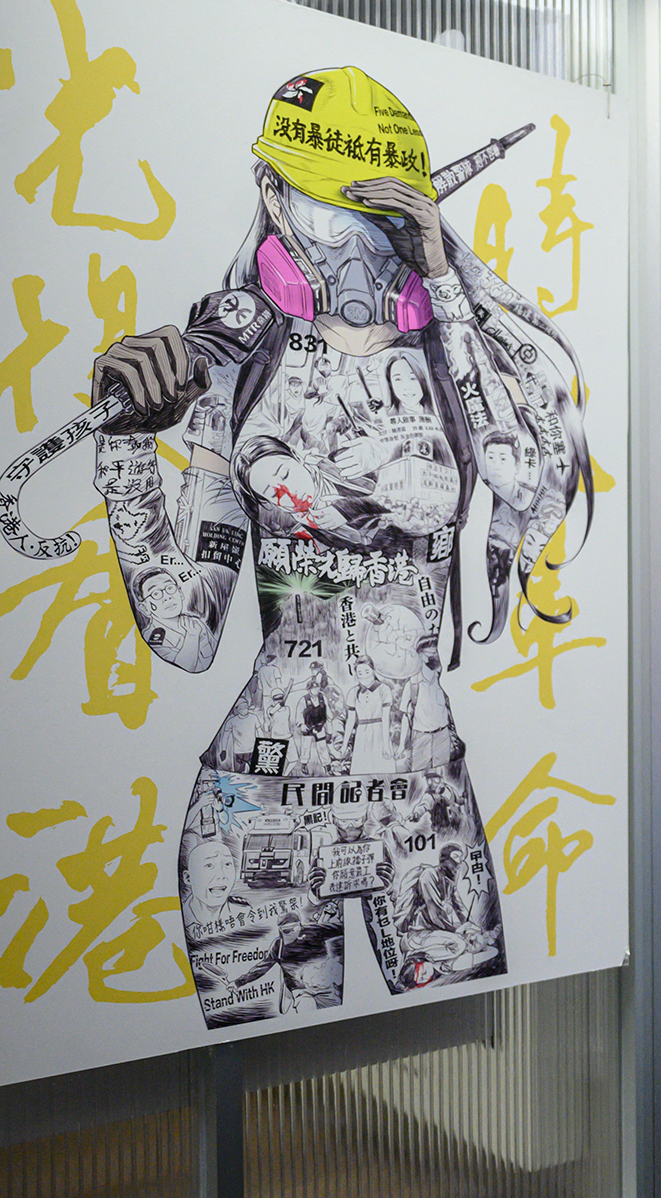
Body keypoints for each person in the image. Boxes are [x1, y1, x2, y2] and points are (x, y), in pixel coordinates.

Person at [85, 66, 592, 1029]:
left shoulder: (451, 353)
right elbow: (187, 633)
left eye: (385, 208)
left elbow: (529, 481)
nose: (362, 240)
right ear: (272, 193)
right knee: (267, 1106)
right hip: (258, 812)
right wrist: (122, 446)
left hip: (424, 810)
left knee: (462, 1074)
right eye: (334, 202)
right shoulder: (236, 368)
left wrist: (442, 278)